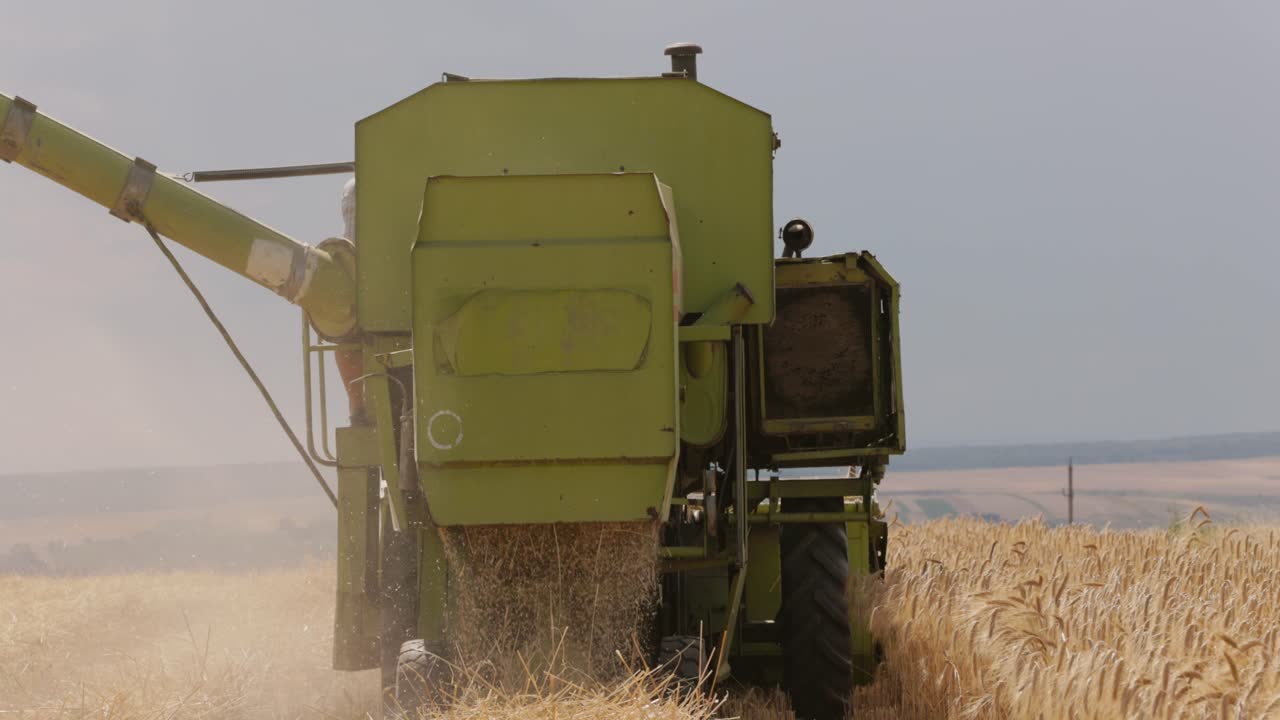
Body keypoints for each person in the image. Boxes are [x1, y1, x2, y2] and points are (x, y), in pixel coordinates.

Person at [334, 177, 367, 423]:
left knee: (344, 332)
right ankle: (360, 409)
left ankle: (358, 410)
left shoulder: (354, 186)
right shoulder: (361, 187)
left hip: (354, 279)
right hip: (378, 280)